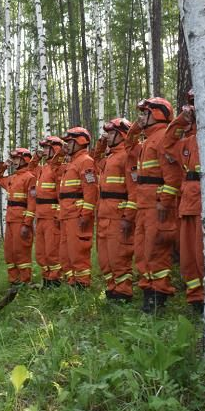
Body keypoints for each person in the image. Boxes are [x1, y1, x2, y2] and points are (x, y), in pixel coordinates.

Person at [125, 98, 177, 313]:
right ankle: (148, 291)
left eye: (144, 113)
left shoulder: (164, 137)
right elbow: (129, 145)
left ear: (156, 114)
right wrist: (137, 125)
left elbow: (172, 177)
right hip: (143, 205)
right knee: (142, 251)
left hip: (157, 205)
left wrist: (164, 202)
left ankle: (159, 296)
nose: (140, 117)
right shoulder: (146, 141)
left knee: (156, 251)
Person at [161, 95, 204, 313]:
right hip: (187, 204)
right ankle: (196, 299)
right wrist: (181, 120)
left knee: (202, 254)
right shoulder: (187, 142)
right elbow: (167, 144)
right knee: (188, 257)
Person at [94, 118, 136, 302]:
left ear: (121, 135)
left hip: (119, 216)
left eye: (111, 134)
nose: (108, 137)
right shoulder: (109, 157)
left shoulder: (127, 156)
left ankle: (124, 293)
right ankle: (112, 291)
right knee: (105, 259)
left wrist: (128, 216)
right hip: (104, 215)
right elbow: (96, 160)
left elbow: (134, 189)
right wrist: (101, 143)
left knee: (119, 257)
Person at [58, 127, 98, 288]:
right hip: (67, 214)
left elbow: (91, 189)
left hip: (77, 214)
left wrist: (86, 214)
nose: (66, 145)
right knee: (65, 253)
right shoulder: (71, 162)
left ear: (79, 142)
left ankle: (82, 285)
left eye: (69, 142)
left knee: (78, 252)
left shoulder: (86, 161)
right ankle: (72, 283)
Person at [0, 148, 37, 286]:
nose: (15, 161)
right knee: (9, 252)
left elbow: (32, 202)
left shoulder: (30, 177)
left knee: (21, 252)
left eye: (17, 158)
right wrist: (4, 165)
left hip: (21, 221)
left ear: (25, 159)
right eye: (14, 158)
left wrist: (27, 224)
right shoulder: (12, 178)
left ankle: (25, 282)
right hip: (10, 220)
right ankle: (14, 282)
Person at [30, 137, 65, 288]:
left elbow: (60, 194)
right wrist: (36, 157)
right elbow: (30, 168)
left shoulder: (58, 169)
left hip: (51, 217)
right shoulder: (43, 168)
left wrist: (58, 214)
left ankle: (55, 281)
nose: (43, 151)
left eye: (46, 148)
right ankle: (46, 279)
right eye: (42, 148)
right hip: (41, 216)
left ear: (55, 149)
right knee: (41, 252)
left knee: (52, 251)